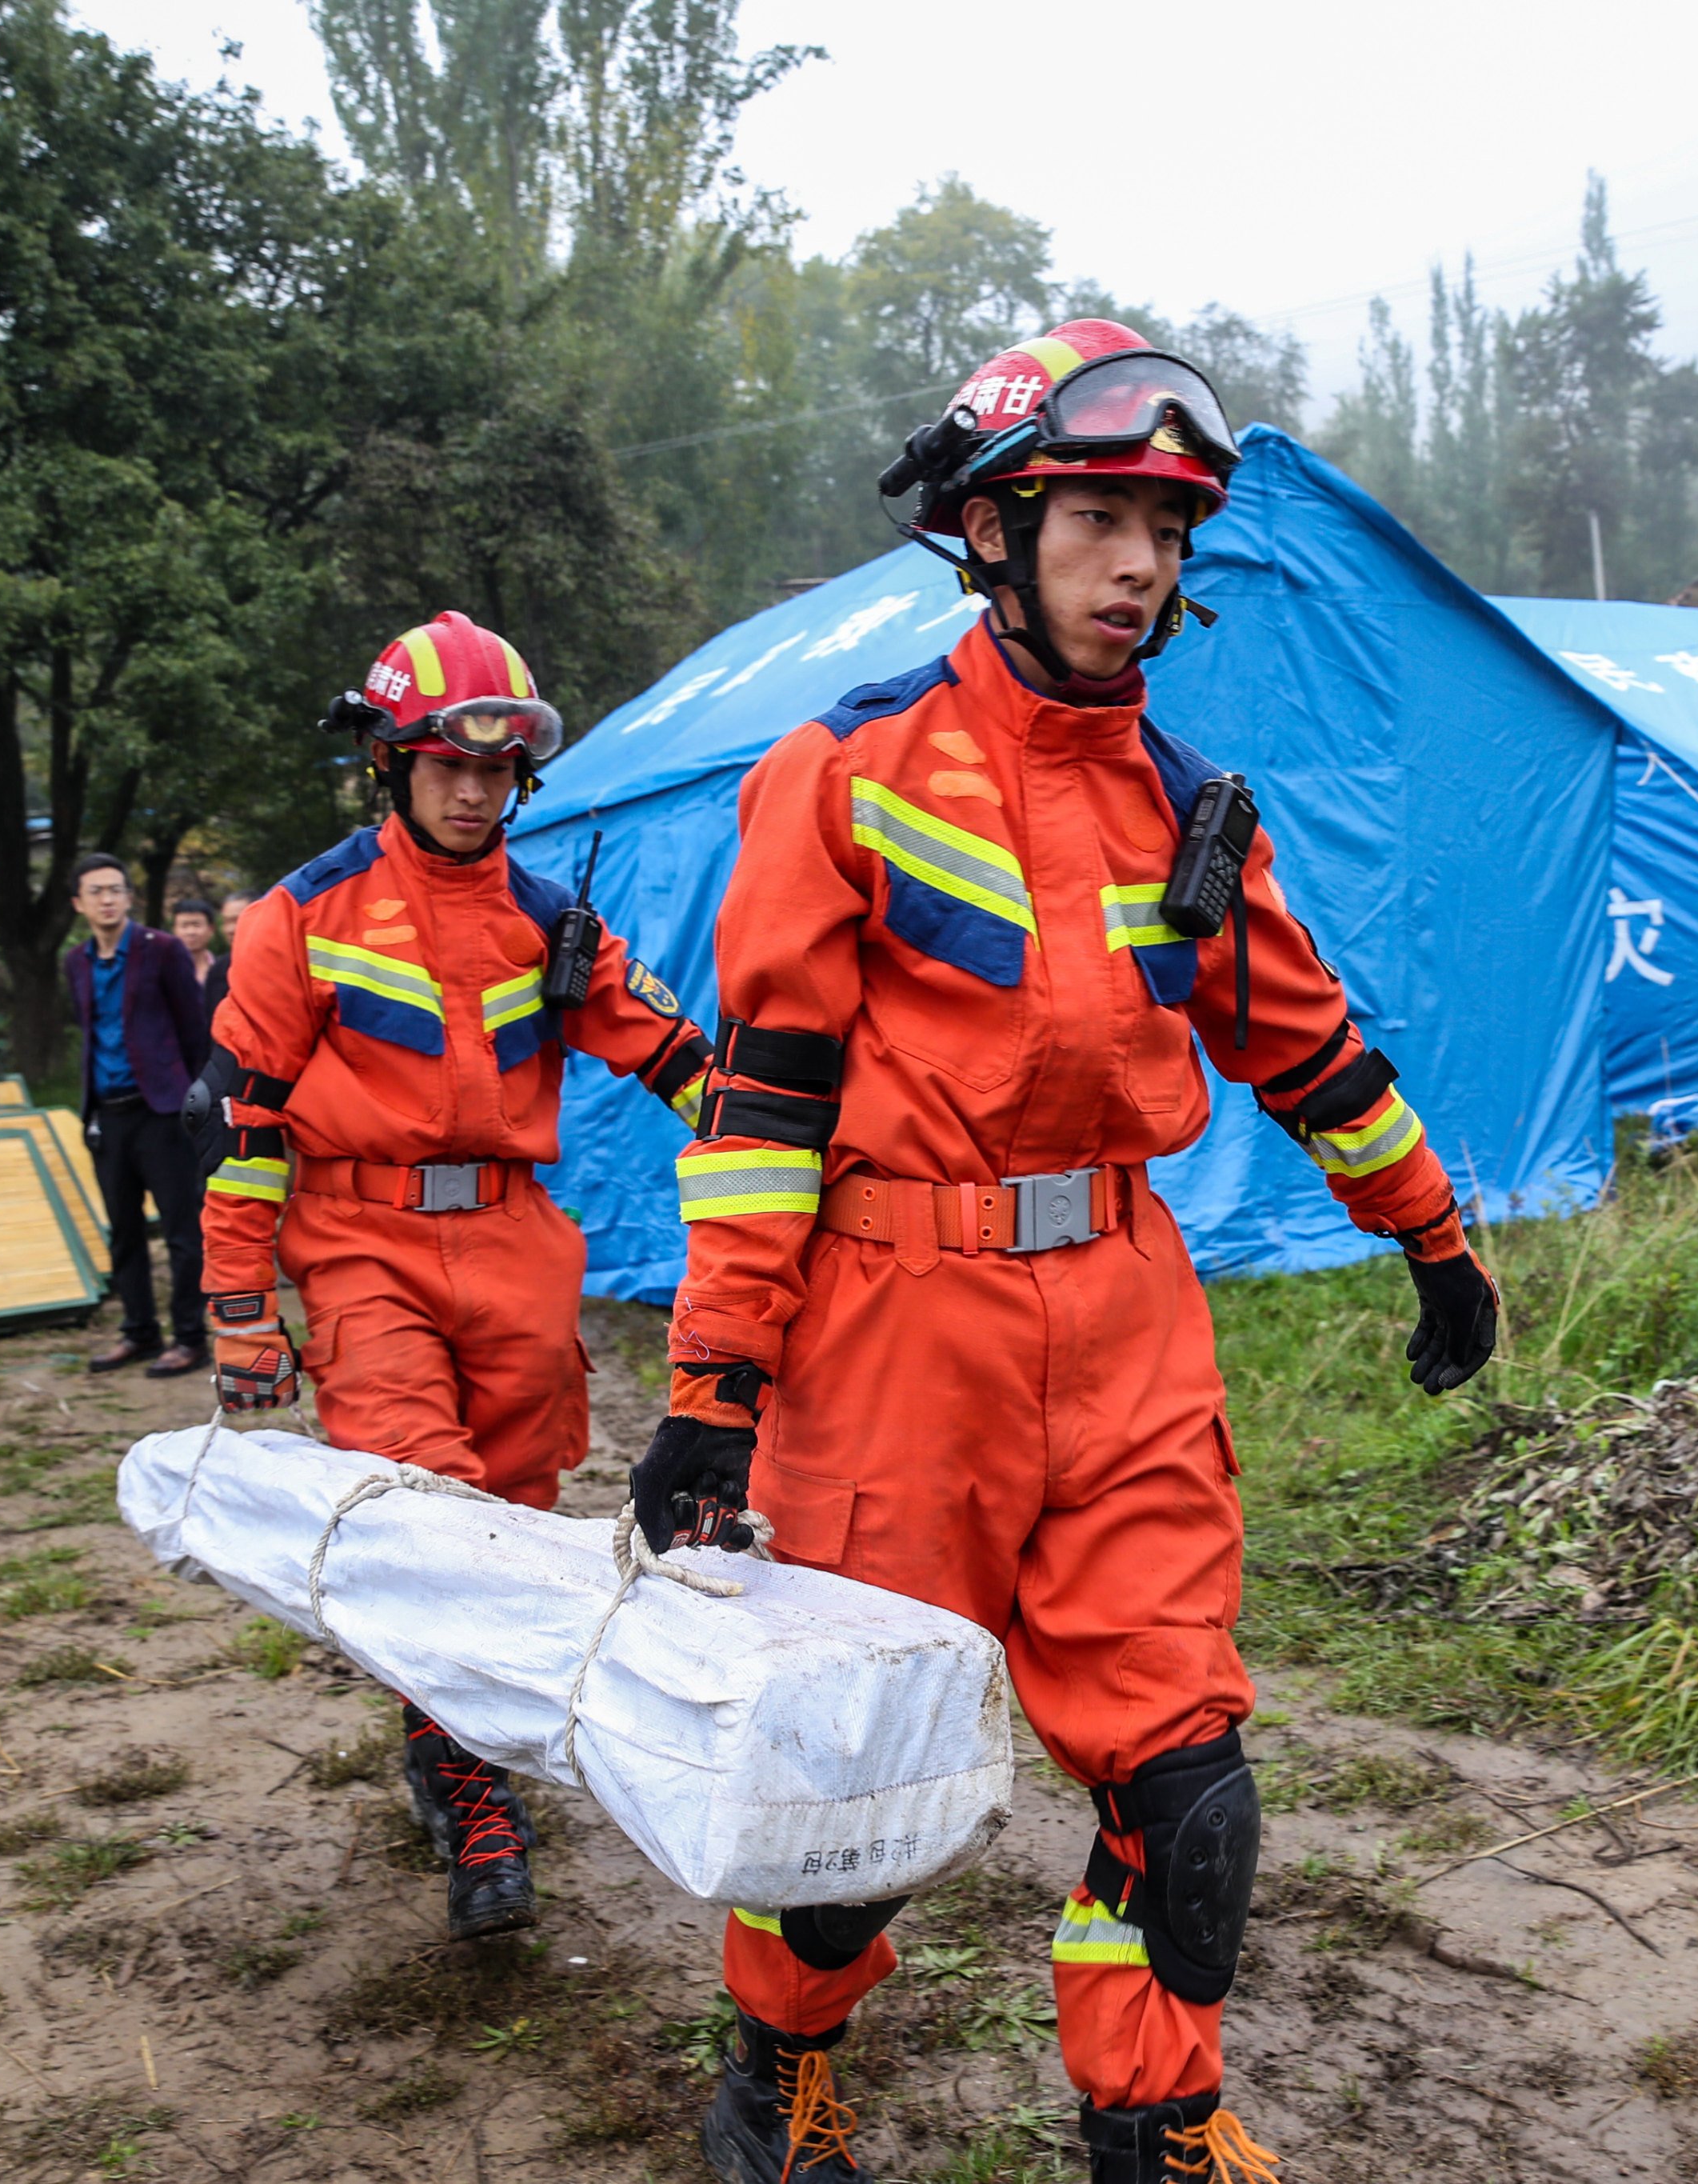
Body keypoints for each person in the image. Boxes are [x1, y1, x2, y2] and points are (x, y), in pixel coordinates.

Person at [632, 322, 1500, 2184]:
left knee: (1186, 1786)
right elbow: (763, 1111)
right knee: (852, 1803)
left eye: (1171, 532)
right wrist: (714, 1388)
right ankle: (778, 2067)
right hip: (891, 1338)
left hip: (1122, 1327)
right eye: (1105, 517)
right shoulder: (846, 774)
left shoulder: (1186, 811)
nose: (1144, 567)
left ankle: (1154, 2117)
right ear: (997, 530)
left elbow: (1315, 1050)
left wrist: (1434, 1240)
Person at [197, 612, 715, 1942]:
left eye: (499, 768)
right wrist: (242, 1306)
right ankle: (469, 1776)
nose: (477, 788)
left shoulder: (554, 925)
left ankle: (461, 1736)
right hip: (359, 1242)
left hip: (517, 1249)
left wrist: (802, 1147)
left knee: (518, 1514)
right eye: (447, 763)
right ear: (390, 759)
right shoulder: (300, 917)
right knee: (424, 1514)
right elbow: (249, 1127)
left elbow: (679, 1061)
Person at [65, 856, 210, 1378]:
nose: (107, 899)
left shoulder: (162, 951)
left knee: (180, 1231)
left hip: (162, 1111)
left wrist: (197, 1103)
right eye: (96, 892)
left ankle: (190, 1337)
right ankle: (139, 1331)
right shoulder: (76, 962)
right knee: (123, 1231)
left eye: (116, 889)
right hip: (107, 1114)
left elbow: (196, 1032)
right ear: (78, 903)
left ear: (128, 897)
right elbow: (90, 1031)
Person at [171, 898, 228, 1053]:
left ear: (211, 929)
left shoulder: (223, 970)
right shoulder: (163, 971)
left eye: (196, 925)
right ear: (174, 930)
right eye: (184, 926)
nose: (191, 932)